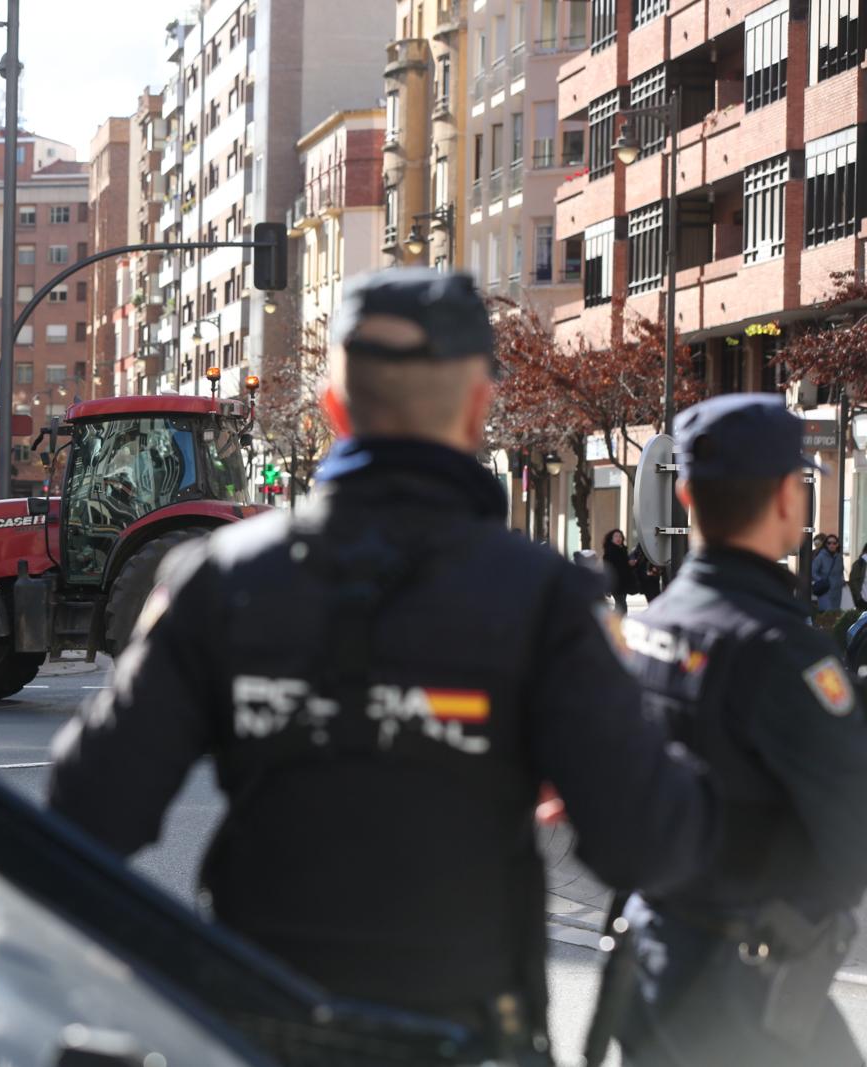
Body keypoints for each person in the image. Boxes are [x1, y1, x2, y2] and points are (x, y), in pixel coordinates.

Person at [47, 268, 717, 1055]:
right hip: (463, 1035)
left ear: (334, 409)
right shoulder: (546, 601)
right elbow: (650, 843)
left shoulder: (220, 579)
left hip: (260, 1028)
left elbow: (86, 811)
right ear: (480, 405)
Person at [614, 394, 867, 1067]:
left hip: (650, 966)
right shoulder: (781, 650)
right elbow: (851, 835)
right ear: (789, 496)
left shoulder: (643, 630)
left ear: (687, 493)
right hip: (747, 992)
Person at [603, 528, 637, 612]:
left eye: (620, 536)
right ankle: (615, 623)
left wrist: (629, 564)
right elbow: (609, 569)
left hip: (623, 583)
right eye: (616, 536)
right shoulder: (609, 552)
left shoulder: (622, 550)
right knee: (622, 607)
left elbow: (624, 566)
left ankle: (614, 623)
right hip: (615, 584)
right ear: (611, 539)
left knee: (620, 606)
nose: (618, 538)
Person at [812, 532, 844, 611]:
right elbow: (813, 572)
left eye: (834, 543)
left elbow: (841, 571)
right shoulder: (821, 556)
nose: (831, 545)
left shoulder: (839, 557)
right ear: (826, 544)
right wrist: (821, 581)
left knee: (835, 614)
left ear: (837, 545)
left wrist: (841, 581)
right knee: (826, 614)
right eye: (829, 543)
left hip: (837, 591)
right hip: (825, 590)